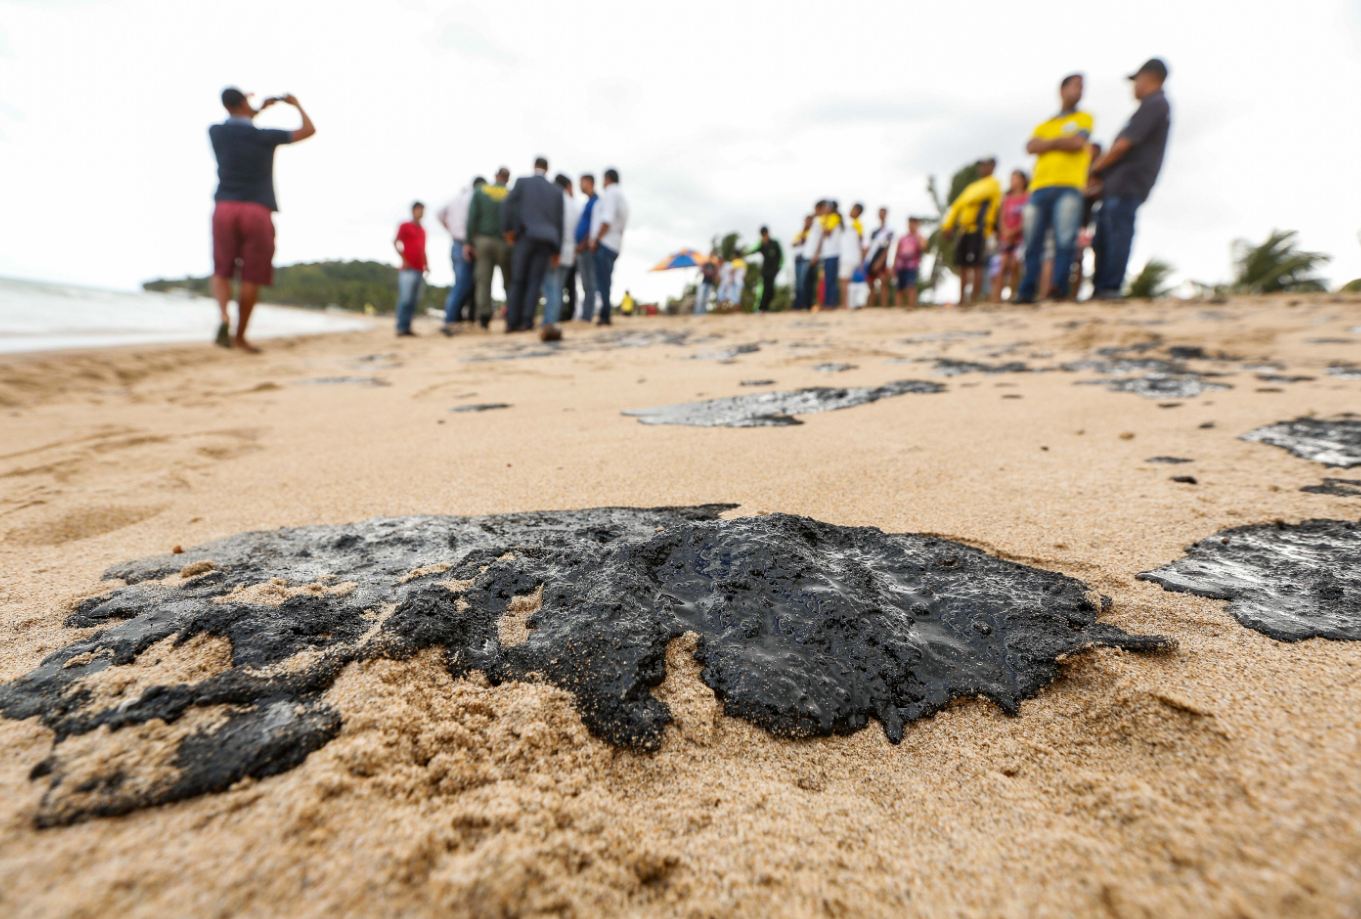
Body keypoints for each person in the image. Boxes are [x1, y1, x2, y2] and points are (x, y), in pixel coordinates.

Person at [208, 87, 315, 352]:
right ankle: (241, 337)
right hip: (257, 210)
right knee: (251, 277)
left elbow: (239, 122)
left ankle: (223, 316)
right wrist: (295, 104)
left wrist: (255, 110)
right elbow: (308, 130)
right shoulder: (263, 136)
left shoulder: (216, 132)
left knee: (221, 271)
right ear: (244, 102)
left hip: (225, 207)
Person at [1090, 58, 1172, 300]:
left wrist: (1096, 168)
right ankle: (1102, 288)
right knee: (1104, 237)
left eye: (1136, 81)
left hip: (1128, 184)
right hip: (1118, 185)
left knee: (1117, 234)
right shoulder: (1151, 106)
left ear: (1148, 78)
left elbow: (1123, 145)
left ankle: (1109, 288)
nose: (1133, 88)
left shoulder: (1155, 104)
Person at [1016, 74, 1093, 304]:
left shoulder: (1085, 118)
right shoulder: (1045, 123)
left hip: (1069, 185)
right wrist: (1061, 142)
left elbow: (1077, 143)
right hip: (1039, 186)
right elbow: (1030, 146)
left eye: (1082, 87)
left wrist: (1046, 145)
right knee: (1032, 243)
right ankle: (1026, 290)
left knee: (1065, 240)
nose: (1079, 91)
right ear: (1061, 90)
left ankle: (1057, 289)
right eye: (1075, 86)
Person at [502, 157, 564, 333]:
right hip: (546, 241)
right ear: (548, 169)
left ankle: (512, 321)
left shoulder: (522, 183)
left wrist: (508, 230)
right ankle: (527, 321)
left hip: (525, 236)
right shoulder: (556, 191)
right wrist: (557, 250)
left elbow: (507, 204)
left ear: (534, 166)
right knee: (535, 282)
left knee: (518, 279)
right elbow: (559, 221)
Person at [940, 157, 1001, 305]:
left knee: (977, 265)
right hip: (964, 230)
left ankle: (974, 298)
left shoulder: (994, 184)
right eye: (981, 166)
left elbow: (969, 200)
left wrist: (968, 201)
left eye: (986, 165)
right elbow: (957, 206)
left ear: (992, 167)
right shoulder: (972, 187)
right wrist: (947, 225)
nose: (982, 169)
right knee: (963, 266)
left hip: (979, 230)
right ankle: (962, 299)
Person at [466, 168, 512, 329]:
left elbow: (472, 218)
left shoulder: (481, 191)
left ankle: (484, 317)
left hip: (483, 241)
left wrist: (468, 242)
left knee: (483, 281)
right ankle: (511, 313)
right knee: (509, 281)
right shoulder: (510, 193)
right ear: (507, 179)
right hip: (505, 242)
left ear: (496, 176)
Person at [438, 177, 483, 335]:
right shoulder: (474, 197)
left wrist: (450, 229)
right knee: (463, 285)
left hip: (455, 242)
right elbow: (473, 221)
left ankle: (454, 318)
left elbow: (439, 214)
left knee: (461, 283)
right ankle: (450, 320)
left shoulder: (456, 198)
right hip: (466, 244)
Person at [539, 174, 579, 341]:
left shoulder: (555, 200)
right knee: (558, 287)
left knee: (551, 288)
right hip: (570, 251)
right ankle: (553, 321)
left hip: (555, 249)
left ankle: (549, 322)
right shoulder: (574, 204)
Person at [588, 168, 628, 325]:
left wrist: (596, 240)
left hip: (605, 243)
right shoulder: (621, 196)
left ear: (607, 179)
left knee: (602, 281)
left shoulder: (611, 194)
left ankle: (605, 314)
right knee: (606, 280)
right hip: (615, 243)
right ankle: (605, 312)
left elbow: (606, 220)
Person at [392, 201, 428, 336]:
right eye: (419, 210)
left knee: (414, 300)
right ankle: (400, 327)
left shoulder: (423, 230)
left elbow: (423, 249)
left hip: (419, 269)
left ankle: (407, 327)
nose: (422, 213)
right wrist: (404, 260)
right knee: (405, 298)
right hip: (408, 268)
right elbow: (395, 242)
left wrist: (426, 265)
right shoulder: (405, 226)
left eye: (423, 210)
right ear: (413, 211)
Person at [996, 170, 1029, 302]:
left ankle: (1013, 295)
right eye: (1011, 178)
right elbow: (1001, 218)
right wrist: (1005, 231)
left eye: (1016, 178)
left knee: (1015, 264)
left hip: (1021, 238)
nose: (1013, 181)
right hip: (1006, 237)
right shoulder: (1007, 199)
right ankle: (996, 298)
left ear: (1023, 180)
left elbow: (1027, 218)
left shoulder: (1028, 197)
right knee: (1002, 264)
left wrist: (1015, 230)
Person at [575, 174, 599, 322]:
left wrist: (583, 244)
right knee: (586, 283)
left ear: (589, 183)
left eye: (582, 182)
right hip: (583, 248)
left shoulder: (595, 202)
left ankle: (587, 315)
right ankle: (586, 313)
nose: (580, 185)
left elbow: (594, 226)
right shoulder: (589, 202)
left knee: (589, 283)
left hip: (586, 248)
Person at [813, 200, 844, 308]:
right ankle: (827, 303)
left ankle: (831, 303)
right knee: (827, 280)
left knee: (831, 280)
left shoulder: (834, 218)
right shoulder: (826, 219)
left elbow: (827, 232)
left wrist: (824, 220)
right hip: (827, 254)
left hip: (833, 253)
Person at [864, 207, 895, 307]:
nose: (881, 215)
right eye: (880, 213)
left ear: (886, 215)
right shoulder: (874, 231)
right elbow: (870, 247)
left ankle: (883, 306)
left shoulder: (889, 231)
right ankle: (871, 306)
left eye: (883, 213)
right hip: (872, 259)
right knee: (870, 284)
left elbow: (887, 248)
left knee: (883, 283)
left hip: (882, 260)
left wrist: (880, 261)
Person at [749, 226, 783, 312]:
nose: (764, 236)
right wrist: (744, 253)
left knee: (771, 290)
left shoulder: (775, 243)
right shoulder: (762, 244)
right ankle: (762, 308)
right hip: (765, 271)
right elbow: (752, 250)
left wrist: (778, 267)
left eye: (765, 234)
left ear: (768, 233)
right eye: (762, 234)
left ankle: (765, 307)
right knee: (765, 289)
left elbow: (781, 256)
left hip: (774, 270)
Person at [800, 202, 827, 311]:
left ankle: (811, 305)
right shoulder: (813, 223)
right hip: (807, 255)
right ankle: (806, 305)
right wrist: (805, 226)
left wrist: (816, 255)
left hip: (814, 256)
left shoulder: (821, 222)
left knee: (811, 282)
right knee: (806, 282)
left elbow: (821, 239)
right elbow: (803, 240)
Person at [894, 216, 924, 308]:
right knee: (899, 288)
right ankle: (898, 308)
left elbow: (923, 247)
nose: (911, 225)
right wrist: (894, 265)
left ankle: (911, 306)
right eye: (910, 223)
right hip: (901, 265)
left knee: (911, 285)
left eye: (914, 223)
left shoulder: (919, 237)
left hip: (912, 265)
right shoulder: (903, 238)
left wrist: (917, 236)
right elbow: (897, 252)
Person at [791, 215, 813, 310]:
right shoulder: (800, 233)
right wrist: (801, 239)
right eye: (806, 221)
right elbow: (793, 244)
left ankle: (805, 304)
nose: (807, 223)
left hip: (806, 258)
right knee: (798, 282)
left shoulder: (813, 233)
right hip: (798, 258)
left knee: (804, 281)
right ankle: (798, 304)